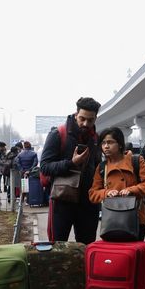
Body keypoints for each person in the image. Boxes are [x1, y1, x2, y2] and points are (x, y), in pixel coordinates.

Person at [40, 97, 103, 244]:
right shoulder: (58, 134)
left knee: (86, 248)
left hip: (89, 204)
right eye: (82, 119)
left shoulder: (96, 139)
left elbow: (97, 167)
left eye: (90, 120)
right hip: (62, 202)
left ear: (95, 118)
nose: (86, 124)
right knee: (57, 247)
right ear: (76, 115)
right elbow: (44, 167)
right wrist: (71, 163)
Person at [89, 127, 145, 241]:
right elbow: (93, 194)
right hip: (112, 219)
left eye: (110, 142)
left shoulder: (135, 161)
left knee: (134, 254)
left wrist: (132, 190)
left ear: (120, 144)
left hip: (135, 218)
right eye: (103, 143)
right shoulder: (101, 167)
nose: (106, 146)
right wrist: (107, 192)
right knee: (115, 256)